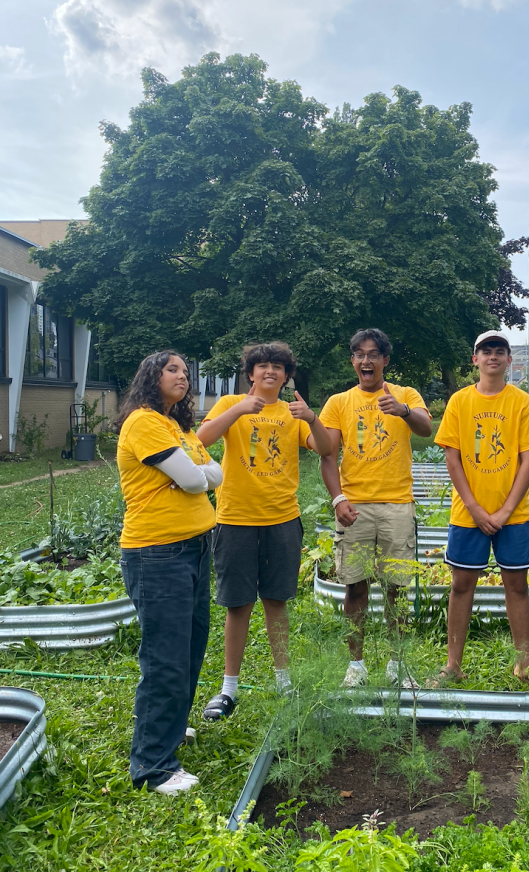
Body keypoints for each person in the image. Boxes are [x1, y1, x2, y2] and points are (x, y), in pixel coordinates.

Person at [197, 342, 333, 718]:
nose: (270, 371)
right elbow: (200, 441)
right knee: (237, 604)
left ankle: (283, 681)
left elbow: (325, 449)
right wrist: (240, 408)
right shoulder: (229, 404)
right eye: (262, 366)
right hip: (235, 517)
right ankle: (228, 689)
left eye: (278, 366)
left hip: (282, 519)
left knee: (276, 601)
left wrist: (312, 418)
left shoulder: (293, 413)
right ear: (251, 373)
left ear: (287, 376)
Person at [116, 350, 223, 795]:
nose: (182, 376)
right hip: (158, 554)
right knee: (165, 659)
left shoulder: (179, 428)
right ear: (151, 376)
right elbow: (200, 480)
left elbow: (212, 473)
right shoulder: (143, 422)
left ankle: (171, 729)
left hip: (194, 549)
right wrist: (194, 475)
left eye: (185, 370)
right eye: (172, 369)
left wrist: (192, 474)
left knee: (191, 647)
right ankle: (154, 766)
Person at [428, 330, 529, 687]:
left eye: (500, 351)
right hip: (469, 514)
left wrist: (504, 510)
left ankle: (523, 664)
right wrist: (476, 508)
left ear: (509, 360)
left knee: (517, 585)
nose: (493, 356)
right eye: (486, 351)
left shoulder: (521, 403)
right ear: (475, 360)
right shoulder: (460, 402)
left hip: (514, 515)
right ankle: (453, 665)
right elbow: (453, 458)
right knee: (462, 584)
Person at [319, 328, 432, 688]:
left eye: (373, 354)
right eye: (358, 354)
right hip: (355, 506)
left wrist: (402, 411)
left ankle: (397, 666)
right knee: (355, 586)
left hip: (397, 504)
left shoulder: (405, 395)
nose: (365, 360)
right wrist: (338, 499)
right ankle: (357, 666)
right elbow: (326, 454)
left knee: (397, 587)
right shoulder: (338, 402)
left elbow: (426, 428)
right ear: (352, 360)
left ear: (385, 360)